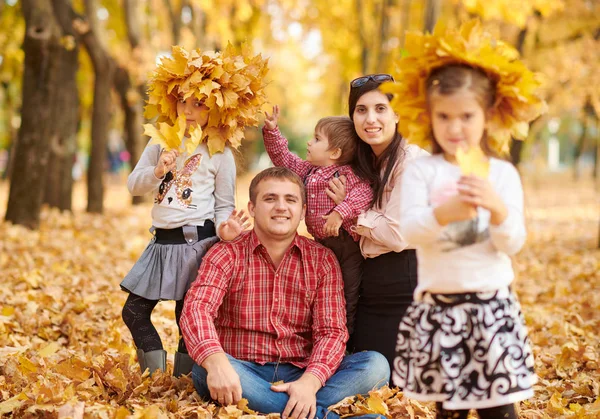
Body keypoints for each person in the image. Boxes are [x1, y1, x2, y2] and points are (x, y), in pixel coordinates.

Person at [388, 20, 543, 419]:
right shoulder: (423, 170)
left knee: (499, 409)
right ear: (430, 116)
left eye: (466, 116)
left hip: (491, 307)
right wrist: (443, 214)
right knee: (449, 410)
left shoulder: (502, 174)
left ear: (487, 115)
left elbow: (513, 242)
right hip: (441, 309)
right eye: (444, 117)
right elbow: (408, 230)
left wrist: (498, 209)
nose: (454, 128)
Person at [180, 167, 389, 419]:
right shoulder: (226, 253)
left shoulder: (322, 259)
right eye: (270, 199)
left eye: (290, 200)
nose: (281, 207)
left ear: (302, 211)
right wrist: (216, 363)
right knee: (206, 370)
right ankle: (316, 414)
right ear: (253, 208)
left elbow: (331, 331)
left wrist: (309, 383)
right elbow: (196, 309)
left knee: (375, 366)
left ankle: (273, 406)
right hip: (242, 370)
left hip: (301, 370)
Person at [120, 45, 266, 378]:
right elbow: (133, 185)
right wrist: (157, 171)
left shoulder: (219, 153)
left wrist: (225, 233)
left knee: (190, 317)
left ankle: (184, 381)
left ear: (215, 109)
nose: (188, 110)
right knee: (134, 312)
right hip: (160, 244)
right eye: (183, 101)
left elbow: (224, 204)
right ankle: (154, 378)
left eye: (199, 104)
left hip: (196, 244)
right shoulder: (160, 141)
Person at [328, 73, 429, 372]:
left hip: (406, 283)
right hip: (371, 285)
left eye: (380, 108)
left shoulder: (409, 161)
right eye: (361, 110)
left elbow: (397, 234)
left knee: (391, 380)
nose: (370, 119)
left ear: (397, 114)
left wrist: (349, 212)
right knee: (358, 368)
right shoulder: (366, 162)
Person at [261, 106, 373, 335]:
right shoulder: (308, 171)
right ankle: (312, 334)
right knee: (317, 292)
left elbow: (364, 194)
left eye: (317, 138)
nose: (310, 143)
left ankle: (345, 340)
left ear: (334, 152)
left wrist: (340, 211)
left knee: (347, 294)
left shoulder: (347, 174)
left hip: (345, 245)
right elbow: (284, 160)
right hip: (319, 245)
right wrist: (273, 131)